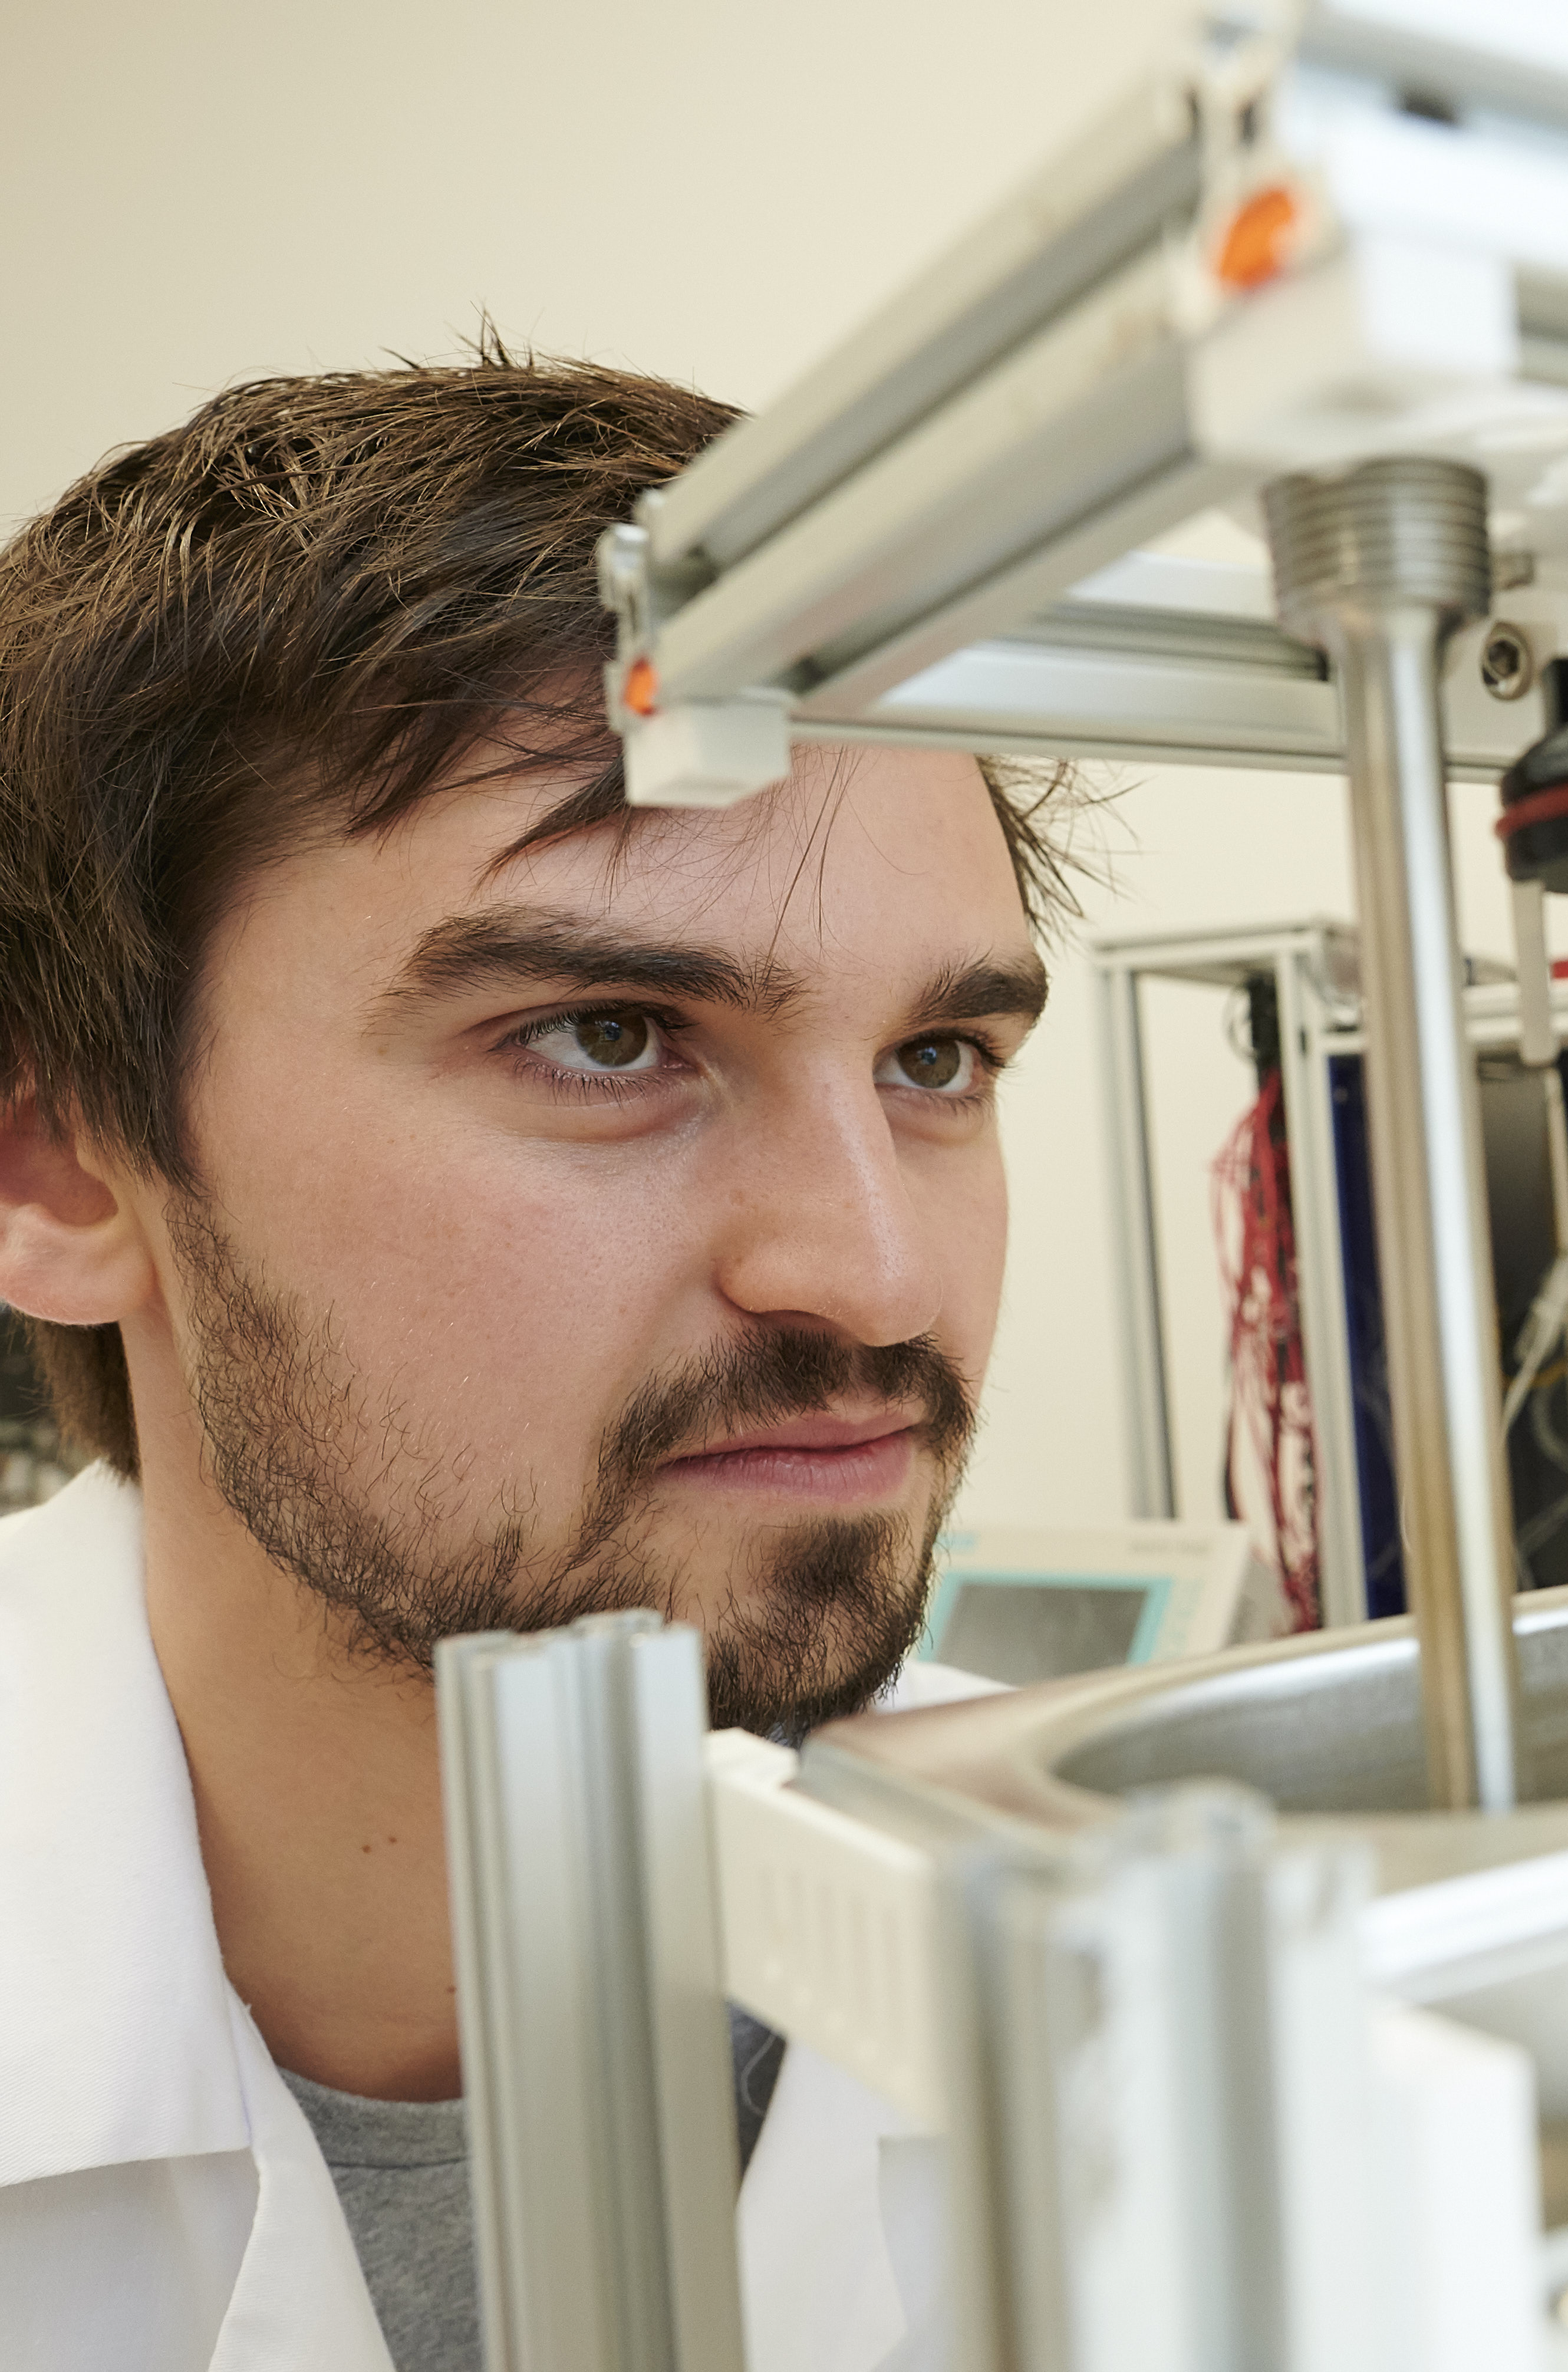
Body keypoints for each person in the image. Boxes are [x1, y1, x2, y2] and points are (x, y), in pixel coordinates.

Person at [0, 346, 1084, 2371]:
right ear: (62, 1165)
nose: (868, 1276)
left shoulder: (1202, 2007)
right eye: (608, 1035)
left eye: (937, 1061)